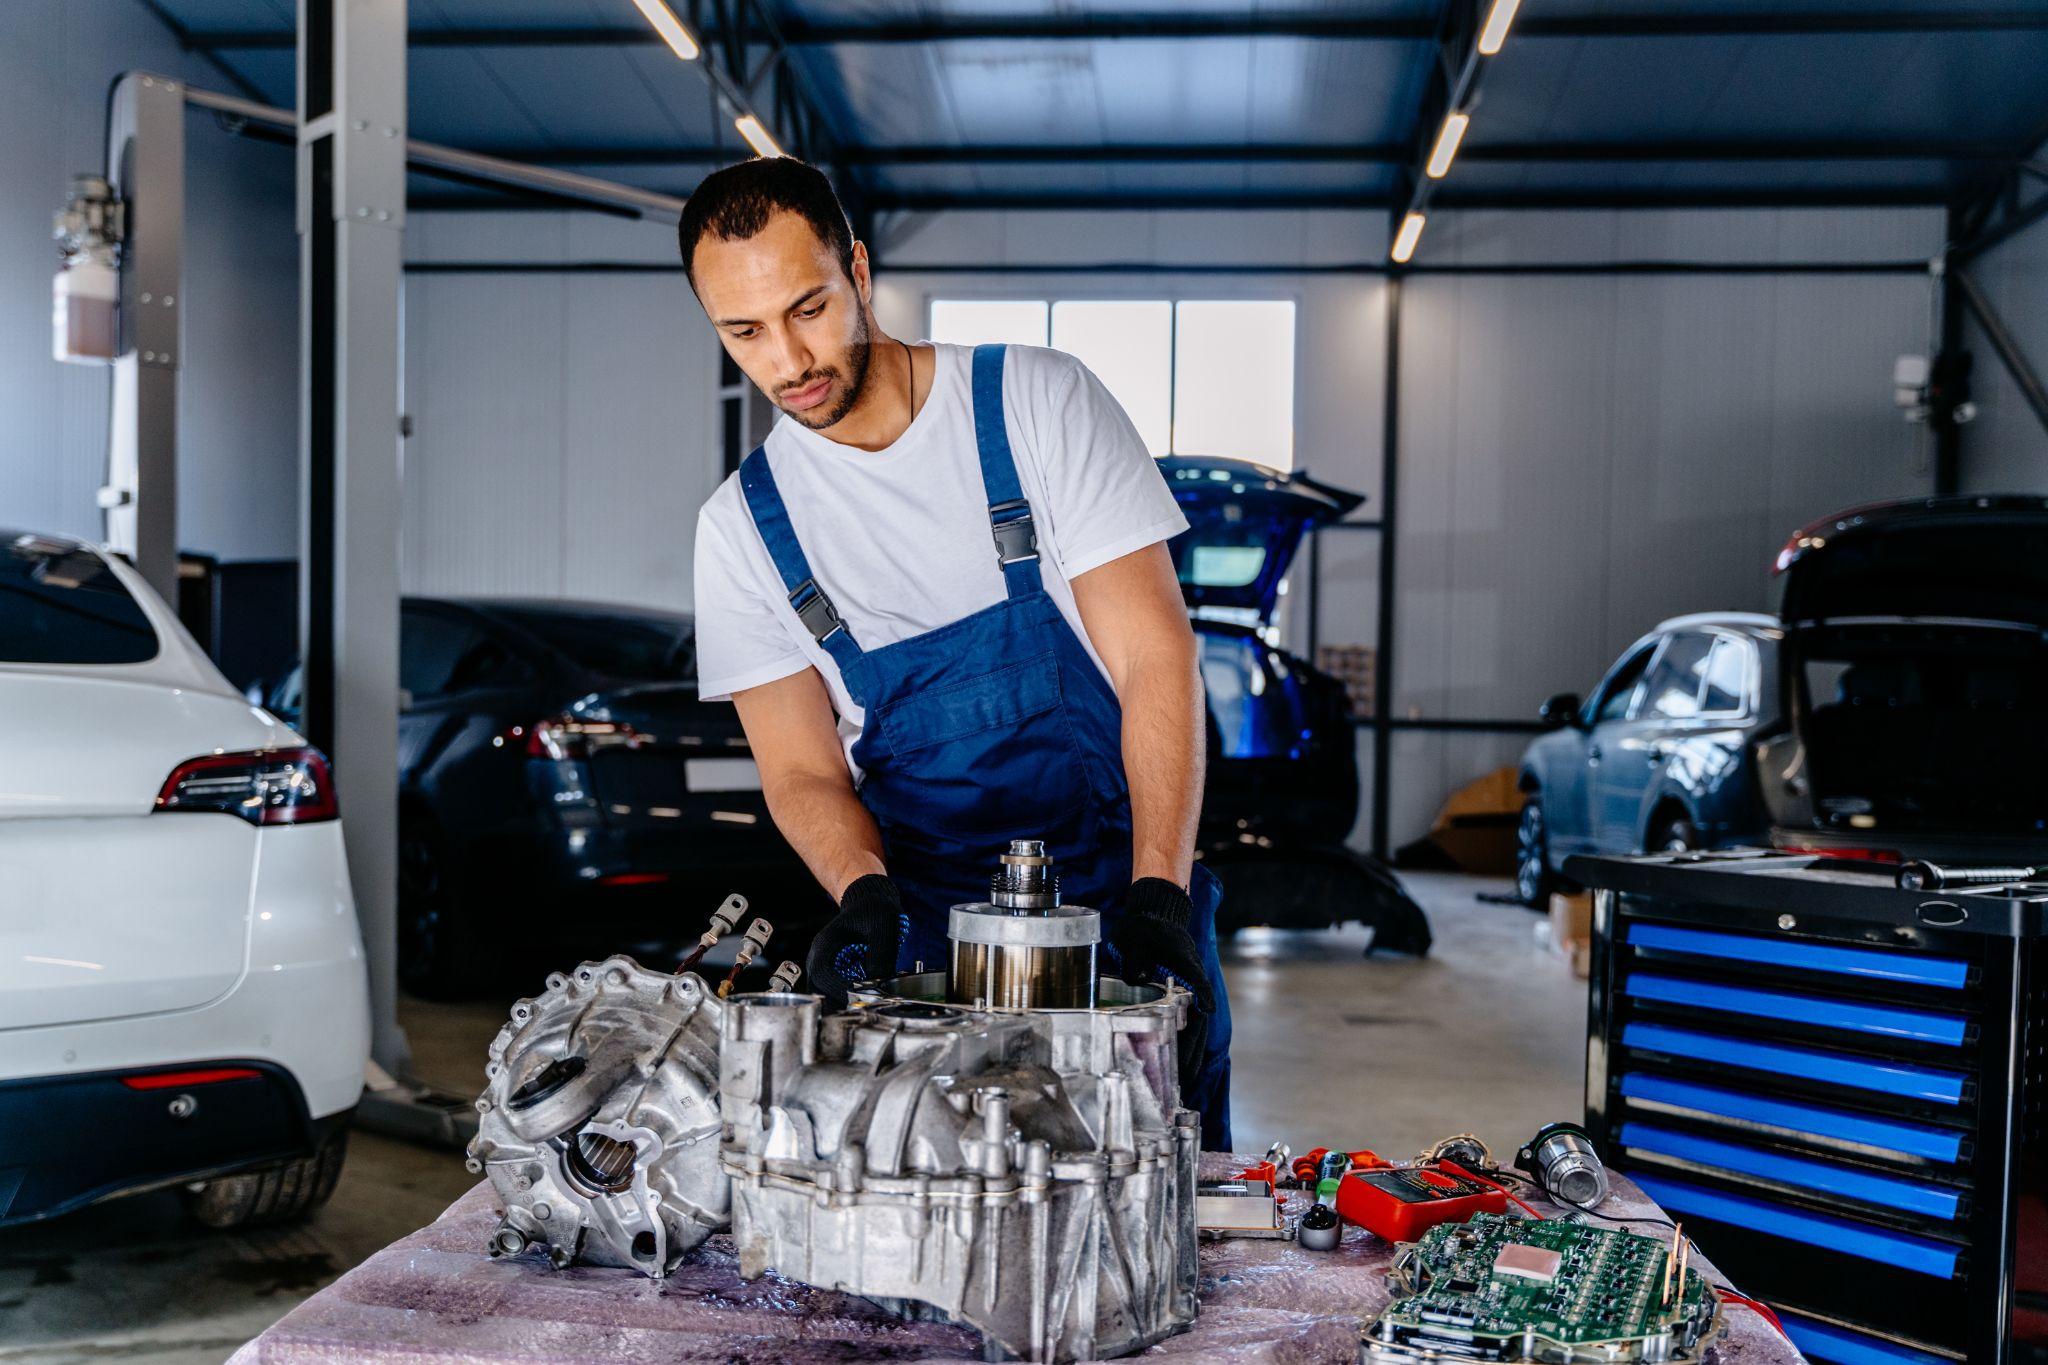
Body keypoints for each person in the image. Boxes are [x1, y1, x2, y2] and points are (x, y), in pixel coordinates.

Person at [681, 156, 1230, 1147]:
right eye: (744, 332)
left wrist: (1160, 895)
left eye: (807, 307)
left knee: (1160, 1196)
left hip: (1125, 901)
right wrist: (862, 896)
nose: (787, 359)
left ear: (855, 268)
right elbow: (800, 767)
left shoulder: (1033, 403)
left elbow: (1156, 657)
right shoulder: (741, 530)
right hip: (923, 941)